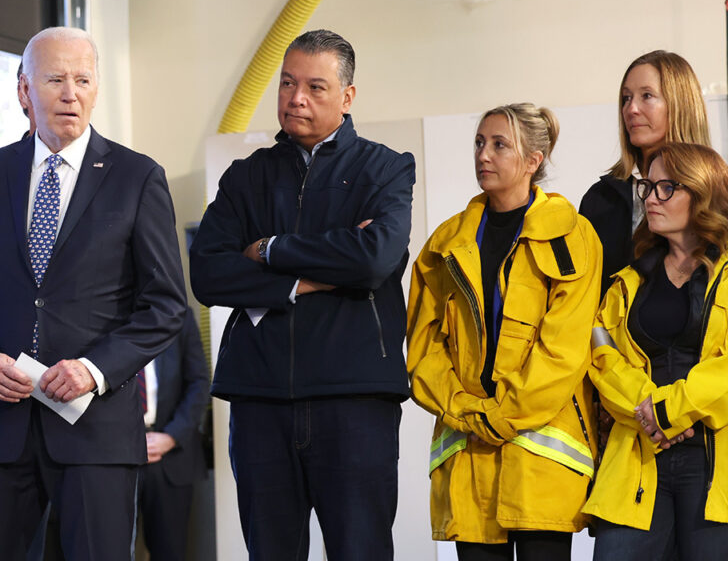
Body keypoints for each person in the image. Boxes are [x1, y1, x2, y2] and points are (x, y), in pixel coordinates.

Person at [0, 26, 186, 561]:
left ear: (96, 89)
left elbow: (166, 305)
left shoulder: (138, 178)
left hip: (96, 432)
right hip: (2, 431)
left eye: (83, 79)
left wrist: (93, 370)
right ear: (24, 89)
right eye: (54, 79)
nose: (70, 93)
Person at [190, 29, 415, 559]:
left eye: (315, 86)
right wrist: (303, 280)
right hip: (260, 399)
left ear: (347, 96)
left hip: (354, 399)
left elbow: (374, 258)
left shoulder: (384, 167)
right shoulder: (245, 176)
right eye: (288, 83)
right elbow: (208, 274)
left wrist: (269, 250)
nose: (296, 98)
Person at [406, 103, 601, 560]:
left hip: (542, 466)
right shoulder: (445, 244)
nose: (483, 155)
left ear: (534, 160)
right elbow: (423, 346)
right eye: (479, 143)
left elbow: (564, 351)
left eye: (499, 145)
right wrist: (466, 410)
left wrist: (498, 417)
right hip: (468, 460)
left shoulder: (573, 236)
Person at [585, 143, 728, 560]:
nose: (649, 198)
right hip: (636, 455)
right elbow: (602, 354)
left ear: (702, 193)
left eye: (666, 188)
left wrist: (668, 410)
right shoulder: (626, 282)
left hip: (713, 464)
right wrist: (647, 411)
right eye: (647, 186)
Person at [580, 51, 710, 298]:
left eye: (647, 96)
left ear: (680, 103)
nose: (632, 109)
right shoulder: (599, 200)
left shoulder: (714, 190)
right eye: (626, 98)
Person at [136, 311, 209, 561]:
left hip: (170, 455)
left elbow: (199, 383)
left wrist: (172, 437)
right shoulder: (101, 313)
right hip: (115, 455)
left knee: (171, 551)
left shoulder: (179, 318)